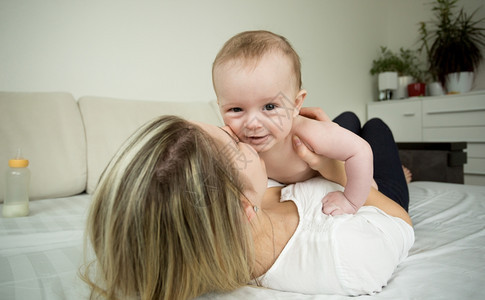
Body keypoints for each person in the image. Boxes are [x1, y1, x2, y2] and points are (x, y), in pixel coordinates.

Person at [81, 114, 414, 299]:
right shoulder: (345, 254)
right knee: (375, 127)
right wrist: (333, 168)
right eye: (235, 141)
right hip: (370, 193)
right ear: (243, 206)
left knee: (345, 120)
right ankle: (400, 176)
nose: (237, 130)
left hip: (319, 174)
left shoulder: (220, 217)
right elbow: (401, 223)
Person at [212, 30, 374, 215]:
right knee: (348, 119)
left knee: (372, 126)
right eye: (236, 109)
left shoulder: (305, 132)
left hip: (353, 173)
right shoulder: (230, 140)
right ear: (220, 107)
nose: (253, 123)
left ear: (296, 103)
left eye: (270, 107)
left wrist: (350, 201)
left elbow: (360, 151)